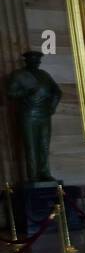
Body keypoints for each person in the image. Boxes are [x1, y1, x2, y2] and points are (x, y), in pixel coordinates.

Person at [5, 51, 62, 181]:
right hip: (28, 114)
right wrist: (25, 92)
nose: (36, 62)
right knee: (30, 145)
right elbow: (10, 94)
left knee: (44, 144)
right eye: (33, 60)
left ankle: (45, 173)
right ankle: (33, 175)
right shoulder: (19, 75)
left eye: (38, 60)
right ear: (27, 60)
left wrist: (52, 107)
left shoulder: (44, 75)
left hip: (44, 114)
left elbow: (57, 92)